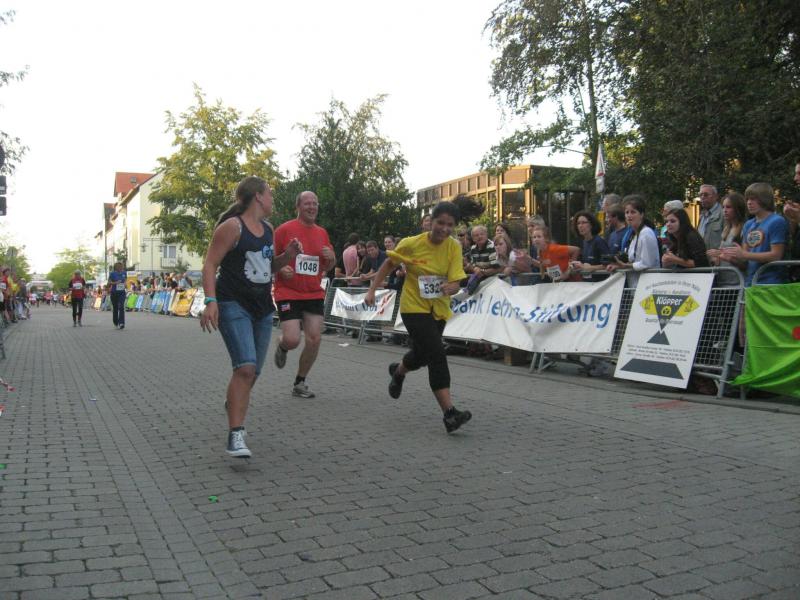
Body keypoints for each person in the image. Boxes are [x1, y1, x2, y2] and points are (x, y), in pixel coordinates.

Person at [200, 176, 301, 458]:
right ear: (258, 196)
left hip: (262, 308)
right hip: (233, 304)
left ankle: (233, 402)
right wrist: (210, 301)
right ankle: (236, 434)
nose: (272, 199)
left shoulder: (268, 229)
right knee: (244, 368)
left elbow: (266, 266)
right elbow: (209, 264)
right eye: (270, 193)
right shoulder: (232, 227)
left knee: (253, 372)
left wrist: (287, 257)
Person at [364, 199, 473, 434]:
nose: (444, 229)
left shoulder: (453, 247)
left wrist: (453, 287)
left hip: (438, 309)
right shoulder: (411, 244)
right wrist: (372, 290)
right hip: (413, 307)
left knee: (423, 355)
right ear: (430, 222)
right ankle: (450, 414)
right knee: (437, 354)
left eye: (450, 225)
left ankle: (398, 372)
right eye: (440, 223)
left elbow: (456, 279)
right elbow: (389, 264)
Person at [272, 190, 336, 399]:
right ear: (298, 207)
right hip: (288, 291)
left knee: (315, 339)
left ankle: (300, 382)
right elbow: (269, 260)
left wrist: (332, 257)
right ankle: (283, 345)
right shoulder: (283, 230)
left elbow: (329, 265)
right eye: (307, 203)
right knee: (292, 340)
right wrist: (281, 268)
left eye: (315, 203)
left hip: (313, 292)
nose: (312, 207)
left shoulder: (322, 233)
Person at [721, 182, 787, 286]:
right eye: (747, 199)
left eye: (753, 199)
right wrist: (731, 258)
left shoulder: (777, 221)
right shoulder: (748, 224)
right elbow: (745, 259)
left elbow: (776, 255)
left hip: (771, 283)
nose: (749, 202)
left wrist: (744, 254)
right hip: (750, 282)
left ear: (765, 199)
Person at [605, 195, 660, 285]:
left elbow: (647, 263)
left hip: (647, 285)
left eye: (633, 212)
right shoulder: (634, 235)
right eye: (627, 212)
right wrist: (618, 265)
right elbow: (634, 260)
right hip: (635, 285)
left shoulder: (646, 233)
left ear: (641, 214)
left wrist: (625, 265)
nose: (629, 215)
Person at [707, 192, 747, 286]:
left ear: (738, 209)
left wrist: (724, 256)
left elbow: (745, 263)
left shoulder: (744, 229)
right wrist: (716, 258)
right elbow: (722, 254)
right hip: (723, 281)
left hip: (737, 283)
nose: (724, 210)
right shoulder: (726, 229)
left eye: (728, 207)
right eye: (723, 207)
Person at [569, 210, 611, 280]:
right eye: (578, 223)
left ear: (591, 224)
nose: (580, 226)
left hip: (601, 283)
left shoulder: (599, 242)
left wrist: (591, 268)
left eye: (583, 222)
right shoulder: (583, 242)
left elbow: (609, 265)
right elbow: (584, 265)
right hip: (587, 283)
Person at [465, 224, 502, 292]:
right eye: (476, 235)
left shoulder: (492, 246)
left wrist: (482, 271)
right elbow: (473, 265)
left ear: (486, 235)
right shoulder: (473, 248)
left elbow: (496, 268)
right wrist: (475, 268)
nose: (479, 236)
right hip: (479, 277)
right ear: (473, 239)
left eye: (482, 234)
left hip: (494, 279)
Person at [698, 184, 724, 251]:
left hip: (718, 256)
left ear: (716, 196)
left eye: (706, 195)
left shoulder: (723, 214)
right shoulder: (702, 216)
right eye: (700, 195)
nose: (702, 197)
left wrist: (719, 253)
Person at [107, 262, 127, 329]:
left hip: (122, 293)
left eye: (121, 266)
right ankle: (115, 322)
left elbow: (125, 280)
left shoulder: (124, 273)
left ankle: (121, 323)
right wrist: (115, 283)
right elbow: (108, 283)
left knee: (121, 307)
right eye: (118, 266)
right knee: (115, 308)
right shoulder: (112, 274)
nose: (120, 268)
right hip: (114, 293)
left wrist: (125, 284)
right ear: (115, 267)